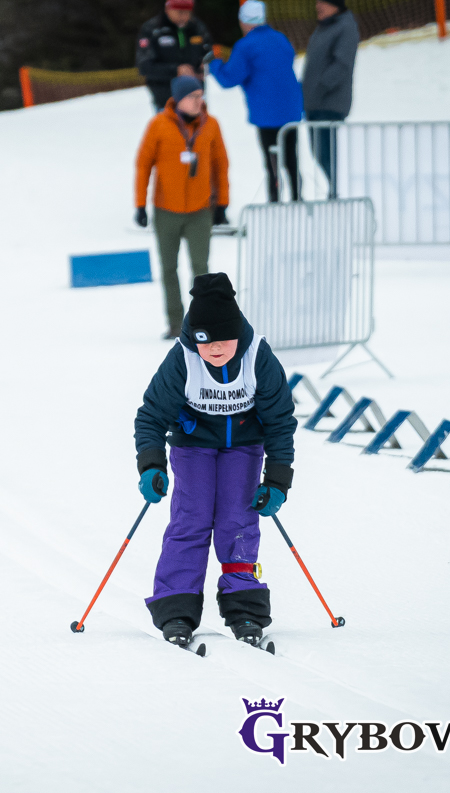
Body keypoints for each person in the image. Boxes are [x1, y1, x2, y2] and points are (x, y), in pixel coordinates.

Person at [133, 272, 296, 649]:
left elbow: (279, 421)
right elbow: (151, 415)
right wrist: (152, 464)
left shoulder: (258, 357)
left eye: (223, 340)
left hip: (244, 446)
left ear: (237, 334)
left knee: (238, 521)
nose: (215, 349)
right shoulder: (183, 359)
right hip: (193, 447)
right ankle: (176, 606)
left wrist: (277, 480)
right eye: (205, 341)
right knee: (191, 519)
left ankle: (245, 607)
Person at [135, 76, 230, 339]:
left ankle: (202, 323)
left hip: (200, 210)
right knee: (169, 268)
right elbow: (143, 165)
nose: (198, 101)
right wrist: (140, 205)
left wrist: (222, 202)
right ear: (178, 99)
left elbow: (221, 164)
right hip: (166, 209)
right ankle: (176, 323)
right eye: (192, 96)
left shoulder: (211, 125)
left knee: (201, 269)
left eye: (201, 95)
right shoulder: (158, 125)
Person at [209, 1, 303, 202]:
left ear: (244, 21)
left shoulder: (246, 46)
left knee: (272, 163)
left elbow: (229, 78)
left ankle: (275, 202)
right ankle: (297, 198)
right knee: (291, 158)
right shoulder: (281, 38)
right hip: (291, 110)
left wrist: (214, 63)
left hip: (267, 114)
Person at [301, 0, 358, 199]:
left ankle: (334, 191)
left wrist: (320, 87)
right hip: (314, 103)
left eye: (323, 2)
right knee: (317, 151)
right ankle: (331, 188)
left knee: (325, 152)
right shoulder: (324, 27)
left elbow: (342, 65)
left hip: (329, 103)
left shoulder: (345, 27)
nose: (318, 6)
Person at [136, 0, 214, 113]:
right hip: (166, 101)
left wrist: (203, 66)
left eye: (187, 12)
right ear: (168, 9)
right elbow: (144, 66)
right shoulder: (152, 29)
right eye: (179, 12)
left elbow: (209, 53)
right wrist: (176, 70)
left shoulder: (197, 27)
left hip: (196, 101)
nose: (184, 16)